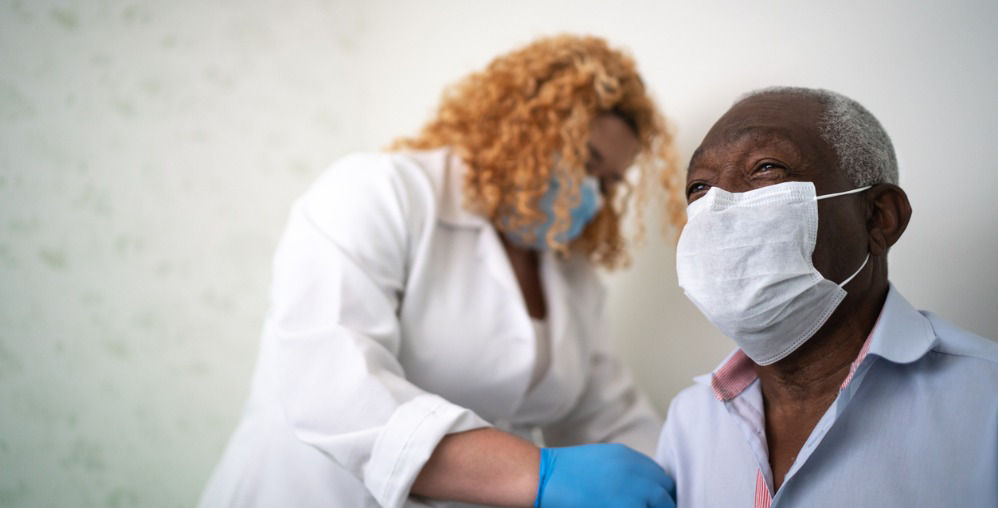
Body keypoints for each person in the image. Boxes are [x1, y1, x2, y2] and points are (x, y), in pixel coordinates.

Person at [200, 35, 683, 507]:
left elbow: (608, 414)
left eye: (610, 181)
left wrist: (679, 479)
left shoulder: (572, 275)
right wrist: (536, 474)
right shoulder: (379, 193)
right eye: (586, 162)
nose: (594, 195)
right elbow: (333, 391)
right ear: (524, 126)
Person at [655, 86, 998, 507]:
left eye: (765, 167)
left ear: (879, 218)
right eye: (699, 188)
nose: (718, 205)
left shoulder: (987, 402)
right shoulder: (690, 420)